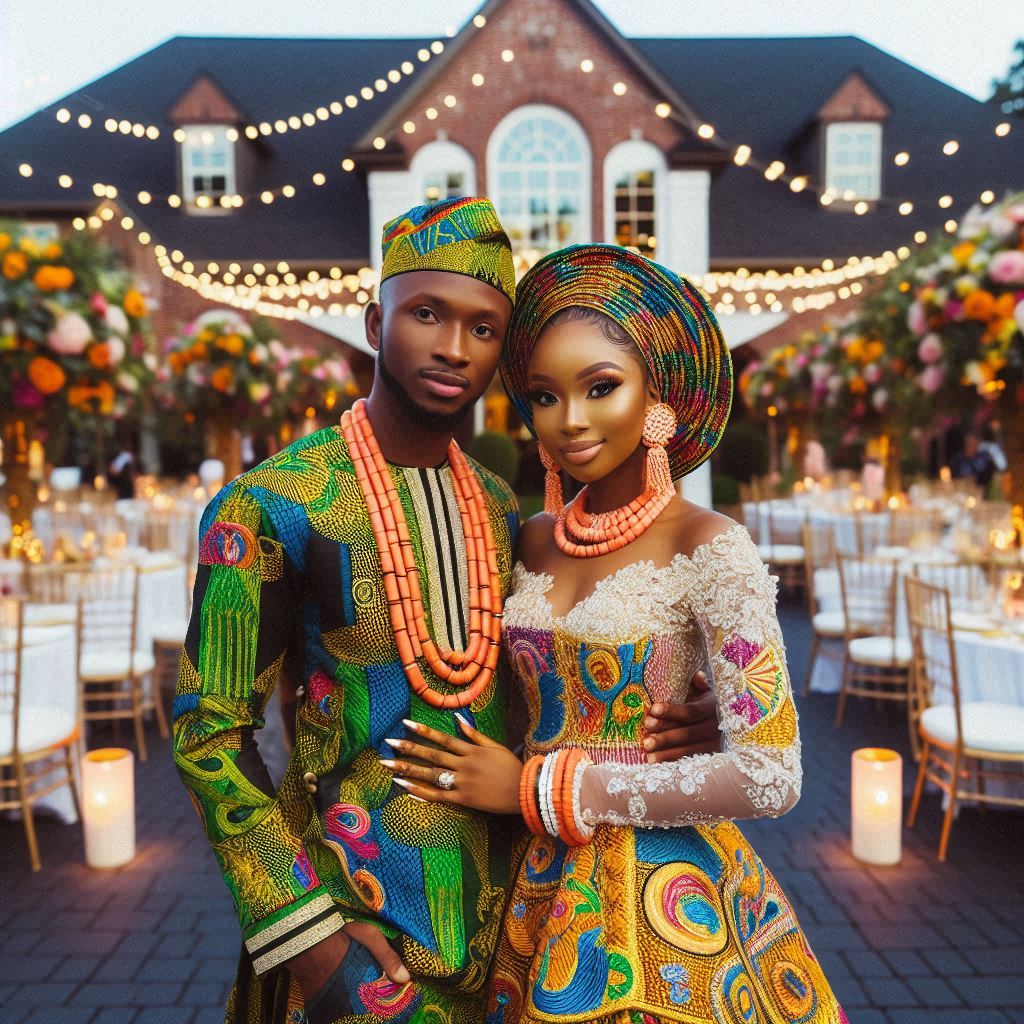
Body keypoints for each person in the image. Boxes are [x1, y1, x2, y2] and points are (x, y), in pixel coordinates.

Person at [173, 201, 717, 1024]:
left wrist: (674, 710)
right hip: (356, 930)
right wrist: (307, 938)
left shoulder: (504, 512)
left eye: (485, 328)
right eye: (427, 314)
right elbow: (207, 731)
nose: (454, 347)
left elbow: (552, 679)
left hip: (518, 918)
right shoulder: (273, 504)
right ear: (373, 321)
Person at [391, 245, 847, 1023]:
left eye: (600, 387)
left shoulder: (711, 548)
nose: (569, 421)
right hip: (530, 882)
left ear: (656, 397)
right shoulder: (527, 539)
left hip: (668, 895)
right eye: (543, 395)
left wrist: (539, 786)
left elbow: (772, 775)